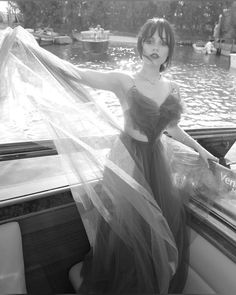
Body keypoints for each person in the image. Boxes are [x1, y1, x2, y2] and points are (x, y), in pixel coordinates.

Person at [0, 18, 218, 294]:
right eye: (150, 40)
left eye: (163, 43)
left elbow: (172, 127)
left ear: (169, 50)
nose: (155, 47)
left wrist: (200, 149)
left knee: (155, 233)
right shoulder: (123, 81)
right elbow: (75, 73)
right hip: (128, 163)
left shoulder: (172, 87)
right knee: (125, 235)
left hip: (157, 164)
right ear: (141, 44)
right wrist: (32, 49)